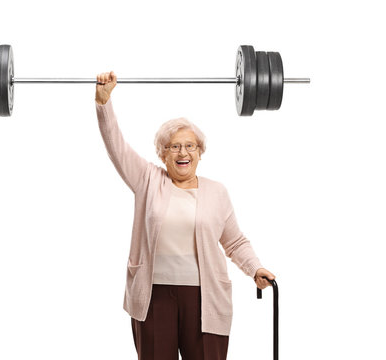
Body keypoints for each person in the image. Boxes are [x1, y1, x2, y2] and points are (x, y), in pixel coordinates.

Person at [95, 71, 275, 360]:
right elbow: (117, 147)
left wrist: (255, 268)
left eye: (190, 146)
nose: (183, 152)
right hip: (154, 296)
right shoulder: (147, 180)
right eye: (174, 146)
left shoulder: (217, 192)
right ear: (162, 154)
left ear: (200, 152)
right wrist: (104, 105)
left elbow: (235, 241)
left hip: (205, 298)